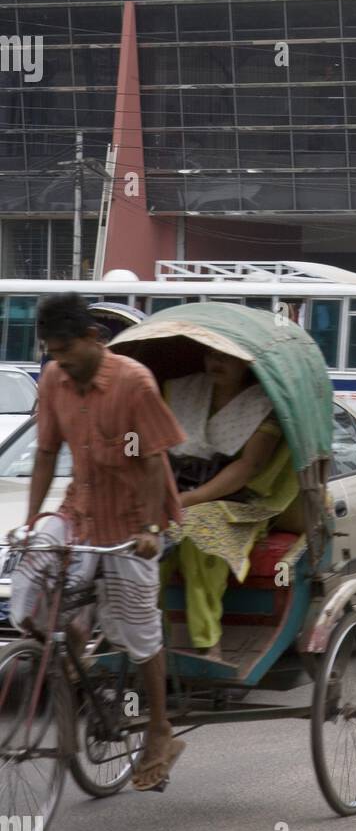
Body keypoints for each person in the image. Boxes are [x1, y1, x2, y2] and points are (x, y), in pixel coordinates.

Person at [9, 293, 187, 792]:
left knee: (138, 630)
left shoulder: (134, 383)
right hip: (78, 511)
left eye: (66, 348)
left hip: (133, 521)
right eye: (52, 350)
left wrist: (150, 531)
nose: (59, 359)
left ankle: (158, 728)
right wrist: (28, 524)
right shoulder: (53, 381)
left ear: (92, 338)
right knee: (29, 579)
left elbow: (153, 462)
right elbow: (45, 452)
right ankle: (70, 652)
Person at [163, 346, 300, 662]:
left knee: (198, 535)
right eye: (211, 355)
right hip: (179, 488)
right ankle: (152, 641)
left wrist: (191, 500)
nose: (217, 362)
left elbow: (248, 467)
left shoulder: (264, 405)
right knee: (149, 537)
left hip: (240, 501)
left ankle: (207, 643)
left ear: (247, 363)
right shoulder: (183, 390)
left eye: (226, 357)